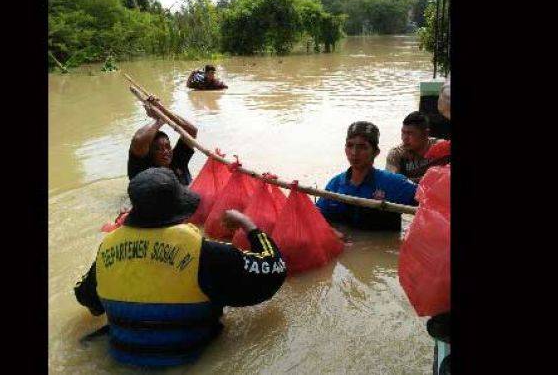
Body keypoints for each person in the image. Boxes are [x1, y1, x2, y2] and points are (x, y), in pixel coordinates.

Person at [75, 167, 287, 368]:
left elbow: (87, 300)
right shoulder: (206, 254)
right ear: (179, 211)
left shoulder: (106, 249)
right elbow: (275, 268)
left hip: (121, 359)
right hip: (190, 359)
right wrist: (247, 224)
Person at [316, 121, 417, 231]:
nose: (354, 152)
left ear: (376, 152)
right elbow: (315, 219)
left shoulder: (394, 183)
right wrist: (331, 232)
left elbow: (430, 205)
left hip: (381, 247)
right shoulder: (334, 185)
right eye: (350, 145)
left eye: (362, 147)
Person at [128, 92, 198, 185]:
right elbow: (138, 140)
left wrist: (164, 111)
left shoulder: (177, 160)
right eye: (158, 149)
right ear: (149, 153)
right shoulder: (142, 169)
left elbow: (191, 131)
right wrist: (160, 119)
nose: (165, 151)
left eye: (167, 146)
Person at [385, 111, 443, 183]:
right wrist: (428, 179)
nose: (404, 138)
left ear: (426, 134)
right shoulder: (396, 154)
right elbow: (390, 181)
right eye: (403, 132)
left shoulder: (441, 147)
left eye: (410, 133)